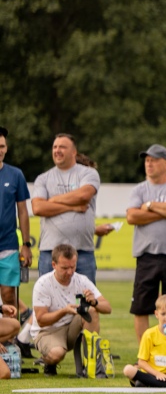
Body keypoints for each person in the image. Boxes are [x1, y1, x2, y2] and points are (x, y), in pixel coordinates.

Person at [126, 144, 166, 346]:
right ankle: (145, 351)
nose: (149, 163)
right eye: (147, 160)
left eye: (154, 160)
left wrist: (150, 206)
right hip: (146, 255)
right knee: (141, 307)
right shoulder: (139, 189)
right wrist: (164, 211)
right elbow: (132, 216)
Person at [30, 244, 112, 375]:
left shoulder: (81, 280)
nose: (69, 272)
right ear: (53, 265)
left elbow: (108, 308)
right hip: (47, 331)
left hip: (71, 328)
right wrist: (64, 311)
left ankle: (90, 365)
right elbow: (41, 320)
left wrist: (94, 302)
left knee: (92, 311)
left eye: (72, 267)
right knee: (57, 354)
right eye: (64, 268)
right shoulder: (43, 284)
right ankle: (48, 361)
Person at [31, 134, 100, 281]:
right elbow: (38, 208)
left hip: (82, 252)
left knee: (84, 301)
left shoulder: (89, 173)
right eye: (55, 147)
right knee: (49, 300)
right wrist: (72, 207)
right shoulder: (43, 178)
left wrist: (53, 200)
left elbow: (83, 196)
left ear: (74, 152)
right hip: (50, 253)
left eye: (62, 147)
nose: (57, 150)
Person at [0, 128, 32, 309]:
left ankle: (9, 337)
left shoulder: (15, 175)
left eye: (2, 146)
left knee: (8, 296)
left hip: (8, 246)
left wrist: (26, 245)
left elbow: (23, 211)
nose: (0, 150)